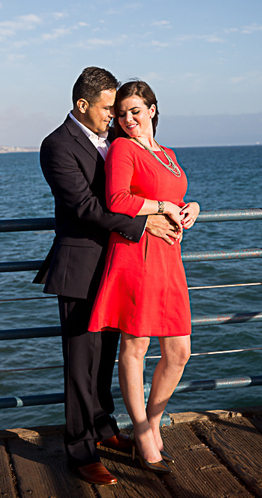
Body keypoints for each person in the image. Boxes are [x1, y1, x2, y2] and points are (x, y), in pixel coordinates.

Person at [33, 67, 180, 486]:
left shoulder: (117, 140)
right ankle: (80, 452)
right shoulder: (56, 145)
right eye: (107, 109)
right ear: (82, 105)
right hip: (80, 267)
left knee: (106, 358)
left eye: (118, 109)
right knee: (81, 363)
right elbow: (83, 207)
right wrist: (143, 223)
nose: (114, 117)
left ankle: (103, 428)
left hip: (119, 266)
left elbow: (135, 186)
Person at [88, 80, 199, 475]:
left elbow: (175, 195)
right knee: (135, 347)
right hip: (138, 254)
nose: (128, 119)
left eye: (136, 110)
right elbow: (117, 199)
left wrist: (192, 208)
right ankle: (142, 431)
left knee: (179, 351)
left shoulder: (166, 153)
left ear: (153, 109)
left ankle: (152, 422)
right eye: (121, 113)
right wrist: (161, 206)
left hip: (170, 257)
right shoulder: (122, 148)